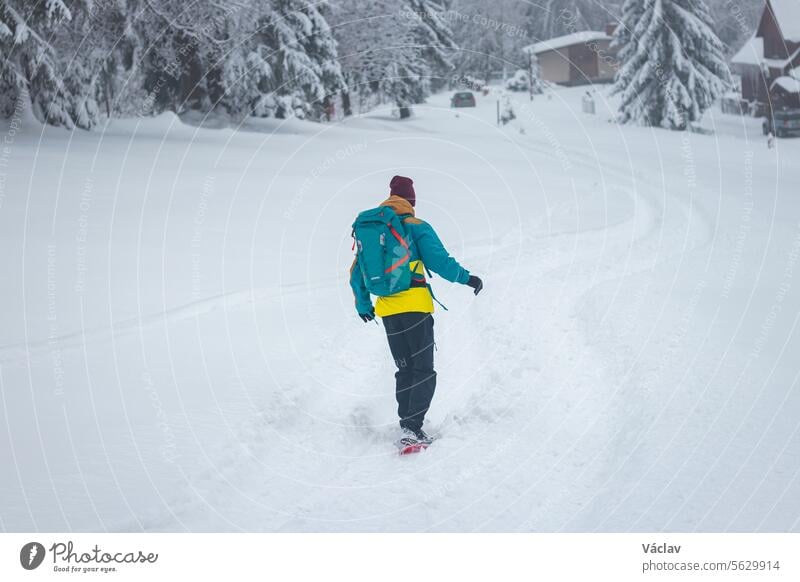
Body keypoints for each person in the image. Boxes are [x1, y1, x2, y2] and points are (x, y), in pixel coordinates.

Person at [349, 176, 483, 447]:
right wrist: (467, 278)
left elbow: (356, 272)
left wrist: (364, 305)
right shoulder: (415, 225)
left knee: (404, 368)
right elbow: (440, 261)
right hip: (415, 308)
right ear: (411, 201)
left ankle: (407, 423)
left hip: (387, 310)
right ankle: (412, 428)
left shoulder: (375, 230)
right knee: (423, 370)